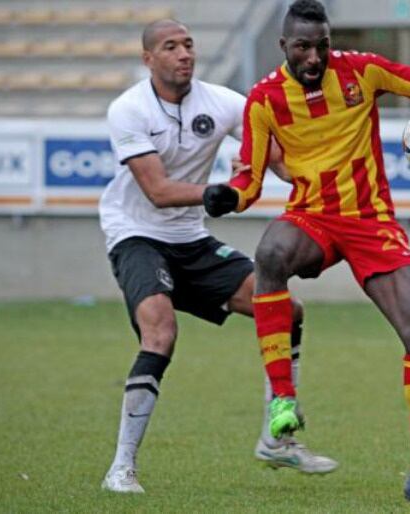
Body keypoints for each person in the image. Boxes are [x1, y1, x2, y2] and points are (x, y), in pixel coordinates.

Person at [203, 0, 410, 506]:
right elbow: (250, 173)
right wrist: (230, 195)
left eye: (322, 45)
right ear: (283, 46)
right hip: (311, 216)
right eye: (304, 47)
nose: (315, 57)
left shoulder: (360, 71)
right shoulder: (264, 100)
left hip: (371, 221)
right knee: (270, 253)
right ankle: (283, 399)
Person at [99, 18, 337, 494]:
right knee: (161, 331)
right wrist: (223, 190)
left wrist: (304, 172)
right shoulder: (127, 109)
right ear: (149, 59)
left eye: (188, 44)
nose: (184, 53)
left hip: (192, 240)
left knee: (286, 311)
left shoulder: (224, 101)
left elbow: (274, 156)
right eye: (171, 47)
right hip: (137, 236)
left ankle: (275, 438)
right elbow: (158, 191)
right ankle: (121, 468)